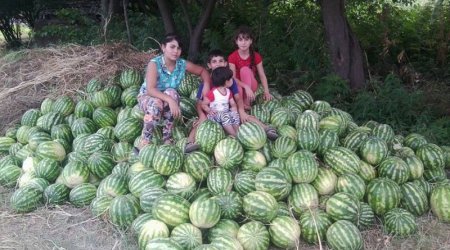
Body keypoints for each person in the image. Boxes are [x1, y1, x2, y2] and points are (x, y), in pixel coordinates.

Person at [186, 49, 277, 147]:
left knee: (247, 117)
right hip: (213, 115)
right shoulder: (206, 83)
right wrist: (201, 116)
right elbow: (200, 103)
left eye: (221, 61)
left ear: (225, 63)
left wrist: (241, 111)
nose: (218, 64)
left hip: (229, 113)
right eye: (214, 61)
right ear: (209, 65)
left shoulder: (230, 81)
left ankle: (266, 129)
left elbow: (238, 99)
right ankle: (189, 143)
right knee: (198, 125)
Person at [137, 33, 211, 151]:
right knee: (159, 101)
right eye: (172, 47)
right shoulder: (154, 64)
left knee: (172, 92)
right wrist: (170, 100)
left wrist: (206, 85)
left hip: (167, 97)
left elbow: (203, 71)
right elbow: (151, 89)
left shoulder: (181, 64)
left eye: (179, 48)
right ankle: (145, 140)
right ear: (163, 47)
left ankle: (167, 137)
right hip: (148, 97)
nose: (176, 51)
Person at [228, 25, 273, 110]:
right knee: (238, 88)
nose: (243, 42)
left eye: (246, 39)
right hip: (238, 86)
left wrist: (266, 92)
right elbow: (232, 78)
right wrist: (245, 86)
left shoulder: (256, 56)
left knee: (245, 70)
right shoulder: (232, 57)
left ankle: (246, 102)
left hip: (252, 85)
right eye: (240, 40)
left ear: (251, 41)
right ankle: (241, 106)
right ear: (236, 41)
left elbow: (262, 75)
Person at [202, 67, 240, 137]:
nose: (232, 80)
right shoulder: (213, 93)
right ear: (226, 81)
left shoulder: (229, 92)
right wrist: (209, 110)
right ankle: (234, 135)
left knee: (234, 114)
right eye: (231, 78)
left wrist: (234, 107)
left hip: (225, 113)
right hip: (214, 116)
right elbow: (203, 104)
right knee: (225, 116)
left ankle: (237, 131)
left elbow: (232, 103)